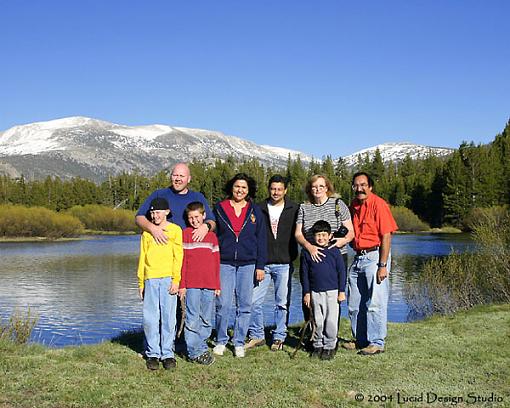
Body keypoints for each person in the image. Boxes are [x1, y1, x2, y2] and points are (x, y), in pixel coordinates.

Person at [343, 172, 398, 356]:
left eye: (363, 185)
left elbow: (386, 236)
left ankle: (376, 342)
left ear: (370, 187)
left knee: (375, 302)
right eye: (356, 185)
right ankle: (360, 339)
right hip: (358, 257)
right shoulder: (353, 206)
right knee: (354, 302)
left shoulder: (378, 204)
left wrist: (383, 265)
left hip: (375, 256)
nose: (359, 189)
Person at [213, 173, 267, 358]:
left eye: (244, 187)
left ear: (249, 190)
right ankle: (221, 340)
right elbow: (214, 237)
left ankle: (238, 342)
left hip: (248, 264)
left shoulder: (255, 210)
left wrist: (260, 266)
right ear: (231, 187)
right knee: (223, 304)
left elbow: (261, 239)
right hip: (224, 262)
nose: (240, 190)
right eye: (237, 186)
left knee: (245, 305)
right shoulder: (220, 208)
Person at [246, 175, 299, 352]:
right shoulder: (258, 208)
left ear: (285, 190)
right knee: (254, 301)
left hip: (284, 263)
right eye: (273, 188)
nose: (276, 192)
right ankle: (257, 334)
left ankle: (279, 336)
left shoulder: (294, 208)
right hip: (263, 263)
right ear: (268, 189)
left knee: (282, 302)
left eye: (279, 189)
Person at [295, 174, 354, 323]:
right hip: (310, 256)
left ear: (327, 188)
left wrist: (341, 242)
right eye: (314, 186)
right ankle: (312, 333)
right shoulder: (304, 207)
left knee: (334, 296)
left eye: (321, 186)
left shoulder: (338, 204)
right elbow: (298, 233)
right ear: (309, 189)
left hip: (336, 256)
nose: (318, 189)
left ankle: (331, 335)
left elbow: (351, 231)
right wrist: (309, 247)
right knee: (309, 295)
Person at [136, 197, 183, 370]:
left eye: (158, 212)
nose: (155, 216)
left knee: (169, 318)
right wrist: (141, 282)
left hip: (168, 279)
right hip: (150, 278)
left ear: (167, 212)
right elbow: (142, 258)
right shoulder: (147, 233)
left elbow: (178, 256)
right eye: (152, 213)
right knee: (150, 318)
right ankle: (153, 353)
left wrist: (176, 280)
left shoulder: (175, 230)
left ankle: (168, 354)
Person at [179, 202, 221, 366]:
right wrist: (182, 284)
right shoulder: (185, 234)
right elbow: (182, 263)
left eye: (197, 217)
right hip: (192, 284)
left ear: (204, 216)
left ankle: (200, 346)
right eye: (190, 218)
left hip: (209, 284)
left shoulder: (211, 237)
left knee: (206, 319)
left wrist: (217, 285)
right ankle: (194, 351)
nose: (194, 220)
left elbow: (216, 262)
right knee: (192, 318)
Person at [301, 220, 346, 360]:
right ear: (313, 236)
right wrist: (307, 293)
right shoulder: (308, 253)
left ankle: (329, 346)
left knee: (331, 320)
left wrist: (342, 291)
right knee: (317, 320)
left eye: (324, 235)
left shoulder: (335, 252)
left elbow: (342, 272)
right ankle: (318, 344)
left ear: (330, 235)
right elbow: (304, 274)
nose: (321, 238)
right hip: (315, 292)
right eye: (318, 235)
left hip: (332, 292)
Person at [136, 162, 216, 241]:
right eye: (175, 175)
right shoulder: (159, 194)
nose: (178, 179)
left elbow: (211, 221)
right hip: (165, 246)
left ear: (188, 179)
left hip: (190, 246)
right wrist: (153, 229)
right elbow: (139, 217)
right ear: (171, 177)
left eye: (182, 176)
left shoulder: (198, 197)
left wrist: (206, 227)